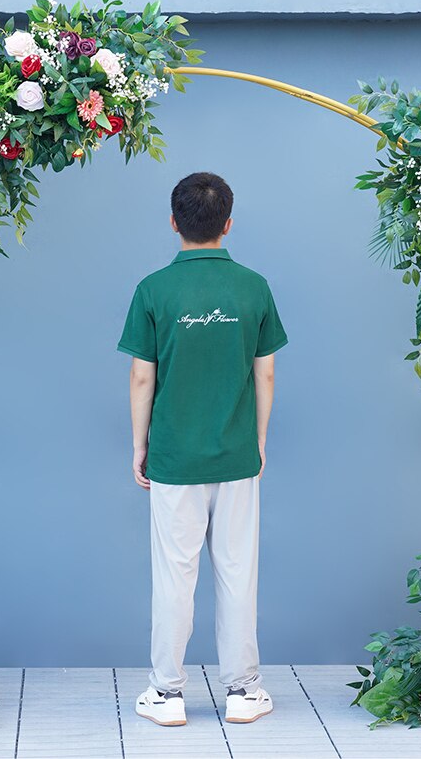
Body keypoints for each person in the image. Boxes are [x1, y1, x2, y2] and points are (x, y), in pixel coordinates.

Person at [117, 172, 288, 727]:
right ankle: (243, 690)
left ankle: (166, 695)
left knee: (175, 575)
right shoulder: (254, 287)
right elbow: (265, 375)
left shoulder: (153, 290)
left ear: (174, 223)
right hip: (236, 455)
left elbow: (143, 380)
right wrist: (258, 440)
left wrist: (139, 446)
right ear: (228, 224)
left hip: (173, 456)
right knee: (238, 573)